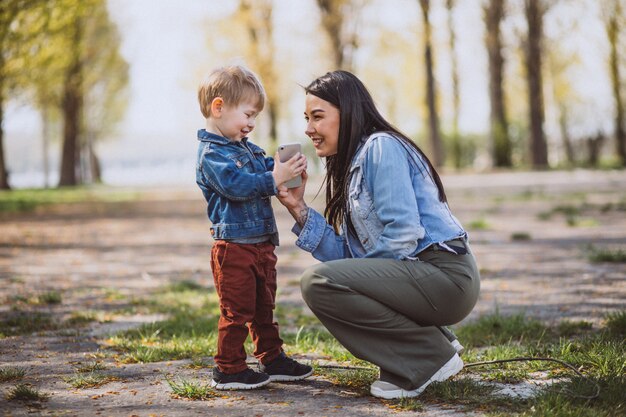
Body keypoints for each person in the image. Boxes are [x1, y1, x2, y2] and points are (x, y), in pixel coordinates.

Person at [276, 70, 480, 399]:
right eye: (306, 118)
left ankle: (427, 358)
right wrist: (297, 208)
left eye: (318, 117)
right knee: (324, 280)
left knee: (318, 281)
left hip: (445, 275)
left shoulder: (381, 148)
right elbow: (351, 262)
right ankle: (430, 344)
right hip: (424, 276)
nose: (308, 128)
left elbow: (402, 233)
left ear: (349, 113)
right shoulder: (357, 161)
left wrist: (365, 279)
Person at [195, 65, 313, 390]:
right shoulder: (212, 155)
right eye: (247, 114)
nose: (251, 123)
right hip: (234, 247)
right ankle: (229, 367)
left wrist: (283, 172)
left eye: (255, 117)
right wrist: (271, 178)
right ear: (218, 107)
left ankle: (271, 358)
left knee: (264, 306)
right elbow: (237, 186)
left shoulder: (247, 147)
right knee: (237, 310)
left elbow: (265, 176)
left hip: (262, 244)